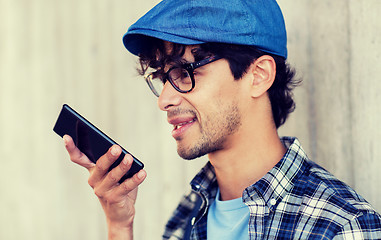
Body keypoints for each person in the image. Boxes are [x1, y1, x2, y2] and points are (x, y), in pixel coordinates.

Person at [62, 0, 381, 239]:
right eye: (163, 78)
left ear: (259, 76)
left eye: (185, 72)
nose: (164, 100)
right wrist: (119, 225)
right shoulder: (190, 211)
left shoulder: (340, 226)